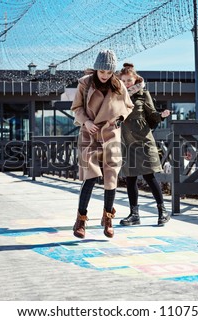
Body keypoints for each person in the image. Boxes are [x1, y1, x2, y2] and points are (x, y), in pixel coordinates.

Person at [71, 49, 133, 239]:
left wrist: (121, 118)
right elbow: (76, 108)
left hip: (110, 133)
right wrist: (86, 122)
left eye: (108, 72)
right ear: (97, 69)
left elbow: (128, 106)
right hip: (89, 133)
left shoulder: (118, 85)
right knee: (90, 176)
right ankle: (81, 220)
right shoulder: (84, 83)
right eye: (102, 72)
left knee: (111, 176)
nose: (105, 75)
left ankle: (108, 218)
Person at [118, 62, 171, 226]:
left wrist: (162, 116)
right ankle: (134, 215)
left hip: (144, 139)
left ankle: (162, 211)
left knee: (149, 176)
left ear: (135, 79)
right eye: (124, 81)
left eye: (129, 80)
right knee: (131, 178)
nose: (127, 83)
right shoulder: (117, 96)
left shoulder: (143, 94)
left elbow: (152, 115)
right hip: (127, 141)